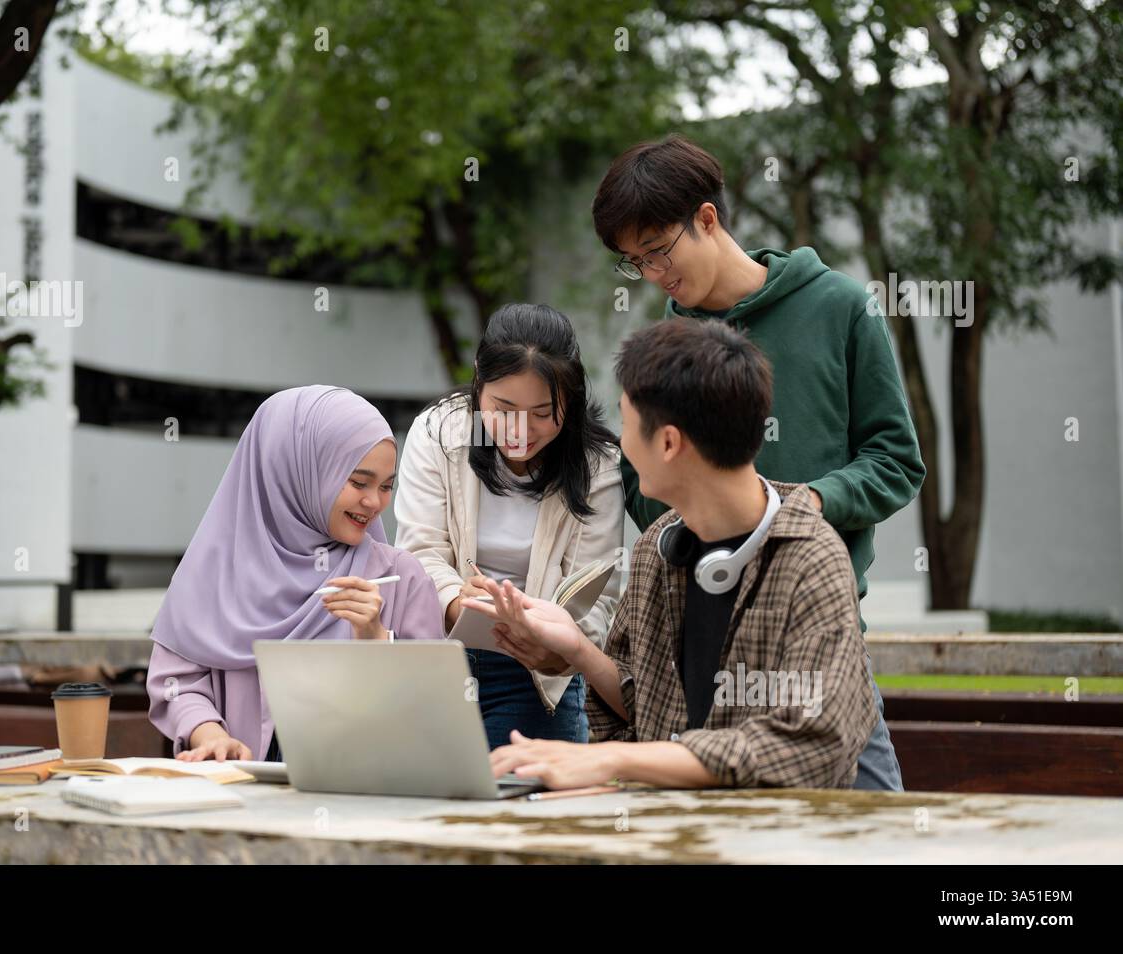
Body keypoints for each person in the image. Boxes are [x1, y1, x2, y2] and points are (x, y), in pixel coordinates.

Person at [590, 134, 925, 790]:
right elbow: (644, 485)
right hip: (699, 636)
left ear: (708, 219)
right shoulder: (666, 344)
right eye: (635, 262)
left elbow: (895, 460)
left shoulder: (841, 307)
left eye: (658, 250)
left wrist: (807, 506)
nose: (653, 273)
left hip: (817, 635)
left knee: (873, 835)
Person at [463, 319, 877, 790]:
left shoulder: (811, 559)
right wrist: (575, 646)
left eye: (626, 423)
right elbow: (644, 705)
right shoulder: (657, 550)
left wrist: (616, 761)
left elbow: (809, 746)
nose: (619, 448)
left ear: (667, 443)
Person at [147, 385, 444, 763]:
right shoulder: (210, 573)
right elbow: (178, 682)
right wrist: (210, 735)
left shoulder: (401, 579)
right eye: (358, 482)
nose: (375, 503)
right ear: (294, 470)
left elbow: (432, 711)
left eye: (386, 486)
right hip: (240, 796)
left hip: (358, 804)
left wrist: (376, 641)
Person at [393, 303, 624, 748]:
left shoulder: (599, 465)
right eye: (503, 408)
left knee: (528, 812)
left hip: (537, 679)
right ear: (479, 378)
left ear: (569, 399)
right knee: (433, 812)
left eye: (543, 412)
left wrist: (555, 650)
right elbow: (420, 551)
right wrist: (461, 605)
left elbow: (596, 595)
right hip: (440, 666)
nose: (521, 429)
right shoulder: (439, 432)